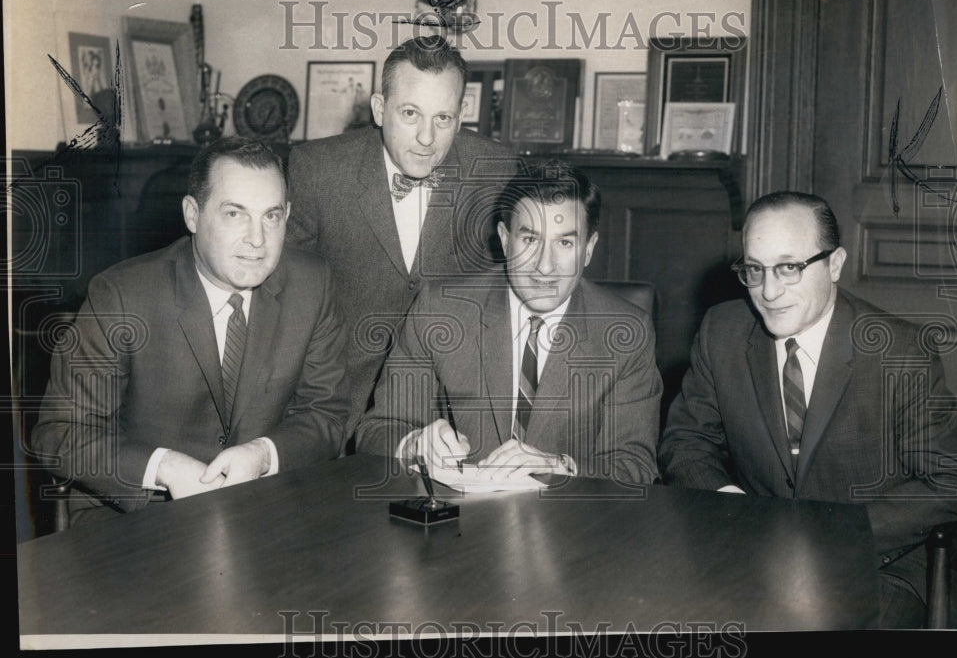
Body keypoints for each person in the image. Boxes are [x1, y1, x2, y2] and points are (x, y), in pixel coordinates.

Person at [658, 191, 957, 628]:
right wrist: (734, 510)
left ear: (834, 264)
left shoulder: (899, 351)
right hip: (751, 557)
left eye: (789, 268)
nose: (769, 292)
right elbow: (686, 442)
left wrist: (832, 533)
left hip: (878, 566)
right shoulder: (723, 331)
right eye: (755, 270)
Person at [32, 137, 352, 524]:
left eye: (271, 216)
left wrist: (264, 455)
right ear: (192, 215)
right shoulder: (122, 296)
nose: (257, 239)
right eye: (235, 214)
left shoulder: (312, 283)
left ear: (287, 214)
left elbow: (326, 415)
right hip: (140, 519)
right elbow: (59, 432)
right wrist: (162, 467)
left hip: (265, 509)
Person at [356, 160, 662, 485]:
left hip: (568, 525)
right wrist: (415, 444)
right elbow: (376, 430)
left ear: (588, 249)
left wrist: (559, 465)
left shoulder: (628, 330)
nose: (545, 267)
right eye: (530, 240)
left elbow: (636, 465)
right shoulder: (441, 311)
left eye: (565, 243)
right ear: (505, 240)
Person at [286, 36, 517, 444]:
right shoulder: (317, 169)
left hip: (451, 425)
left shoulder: (497, 171)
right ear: (379, 109)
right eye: (410, 113)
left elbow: (507, 299)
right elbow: (285, 300)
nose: (427, 137)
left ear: (462, 115)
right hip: (334, 411)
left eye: (443, 118)